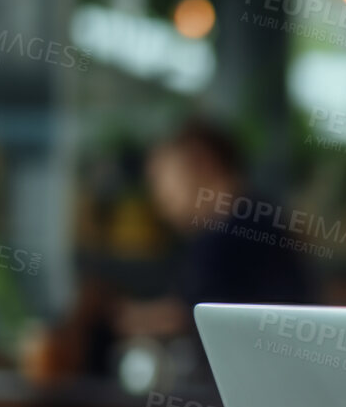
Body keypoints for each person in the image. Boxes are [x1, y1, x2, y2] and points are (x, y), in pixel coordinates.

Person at [116, 118, 315, 341]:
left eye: (161, 178)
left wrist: (122, 317)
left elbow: (190, 314)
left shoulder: (235, 233)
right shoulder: (254, 220)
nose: (158, 196)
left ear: (202, 163)